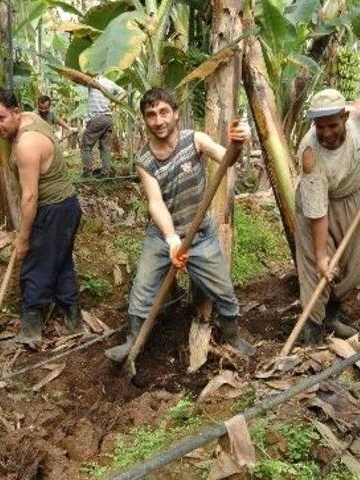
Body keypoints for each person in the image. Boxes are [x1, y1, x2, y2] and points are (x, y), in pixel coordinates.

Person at [104, 87, 255, 362]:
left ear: (176, 113)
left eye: (164, 112)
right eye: (151, 115)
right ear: (145, 120)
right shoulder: (145, 159)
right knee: (142, 288)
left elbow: (228, 159)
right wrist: (172, 240)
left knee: (224, 291)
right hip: (163, 235)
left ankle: (232, 335)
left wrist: (238, 143)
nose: (158, 120)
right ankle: (132, 341)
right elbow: (155, 202)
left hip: (200, 235)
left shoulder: (194, 140)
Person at [0, 87, 84, 348]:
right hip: (67, 205)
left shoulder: (26, 144)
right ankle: (73, 321)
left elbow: (29, 197)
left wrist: (24, 238)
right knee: (60, 263)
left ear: (16, 112)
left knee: (34, 267)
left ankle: (31, 331)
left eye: (1, 118)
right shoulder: (30, 118)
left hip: (52, 209)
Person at [294, 88, 360, 344]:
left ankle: (331, 318)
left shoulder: (359, 114)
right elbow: (317, 212)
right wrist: (321, 256)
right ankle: (313, 332)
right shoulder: (310, 154)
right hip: (317, 205)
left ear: (343, 116)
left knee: (354, 265)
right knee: (317, 271)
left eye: (332, 125)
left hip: (351, 197)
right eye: (320, 127)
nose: (326, 133)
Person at [80, 75, 125, 178]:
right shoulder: (109, 82)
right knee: (105, 148)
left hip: (97, 118)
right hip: (108, 118)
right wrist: (113, 103)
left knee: (86, 146)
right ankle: (106, 172)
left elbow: (78, 78)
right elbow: (123, 92)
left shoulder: (91, 81)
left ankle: (87, 173)